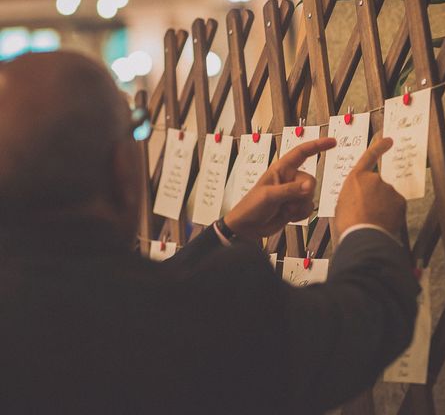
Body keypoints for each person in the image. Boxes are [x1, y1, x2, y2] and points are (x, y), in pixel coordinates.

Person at [0, 51, 419, 414]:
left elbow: (133, 297)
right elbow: (354, 329)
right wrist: (368, 228)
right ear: (121, 169)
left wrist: (228, 230)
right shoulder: (210, 311)